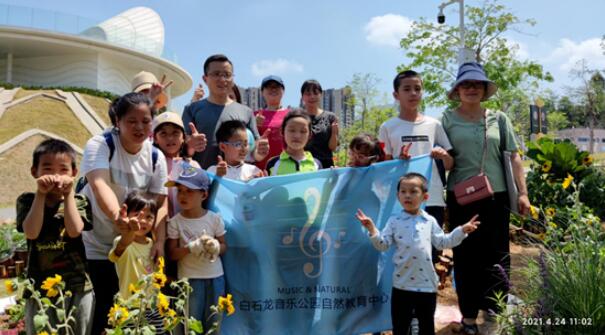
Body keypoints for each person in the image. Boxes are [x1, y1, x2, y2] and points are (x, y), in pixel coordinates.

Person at [441, 62, 531, 334]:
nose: (471, 89)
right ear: (458, 89)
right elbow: (446, 162)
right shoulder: (446, 119)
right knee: (466, 257)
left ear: (484, 90)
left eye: (477, 84)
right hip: (461, 198)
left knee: (497, 256)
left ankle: (494, 314)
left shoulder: (499, 118)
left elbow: (514, 156)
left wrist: (523, 193)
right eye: (466, 84)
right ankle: (468, 318)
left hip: (496, 198)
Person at [79, 92, 168, 335]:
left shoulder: (155, 156)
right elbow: (99, 184)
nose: (140, 127)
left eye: (146, 121)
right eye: (131, 121)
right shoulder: (101, 144)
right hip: (99, 244)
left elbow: (160, 202)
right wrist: (118, 217)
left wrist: (159, 240)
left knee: (138, 312)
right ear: (117, 121)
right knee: (105, 311)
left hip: (135, 251)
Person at [356, 173, 480, 335]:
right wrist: (372, 229)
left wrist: (461, 230)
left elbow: (443, 242)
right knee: (400, 326)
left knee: (426, 325)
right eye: (403, 191)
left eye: (413, 191)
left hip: (427, 285)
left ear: (425, 196)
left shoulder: (429, 221)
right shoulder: (394, 221)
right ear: (398, 196)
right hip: (402, 284)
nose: (408, 195)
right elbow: (383, 245)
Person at [16, 139, 94, 335]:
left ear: (74, 173)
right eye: (48, 169)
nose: (55, 176)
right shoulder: (28, 201)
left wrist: (68, 195)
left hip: (77, 286)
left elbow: (75, 230)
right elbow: (31, 232)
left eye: (63, 170)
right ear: (35, 172)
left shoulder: (79, 201)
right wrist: (40, 195)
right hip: (39, 288)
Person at [378, 70, 454, 264]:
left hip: (432, 198)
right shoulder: (388, 127)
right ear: (396, 95)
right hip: (401, 201)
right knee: (401, 256)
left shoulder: (434, 124)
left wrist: (444, 155)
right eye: (407, 89)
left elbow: (450, 164)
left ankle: (428, 294)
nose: (413, 93)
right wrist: (398, 160)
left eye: (417, 89)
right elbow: (383, 168)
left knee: (430, 257)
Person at [166, 165, 227, 332]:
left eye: (189, 191)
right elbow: (171, 253)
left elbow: (224, 246)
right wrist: (190, 248)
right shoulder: (175, 222)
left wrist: (215, 246)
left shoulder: (214, 219)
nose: (183, 195)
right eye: (180, 190)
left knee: (214, 324)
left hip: (215, 278)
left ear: (204, 194)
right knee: (189, 324)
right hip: (188, 280)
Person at [182, 54, 269, 169]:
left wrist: (261, 151)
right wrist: (190, 143)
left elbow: (253, 152)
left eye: (227, 75)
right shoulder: (191, 109)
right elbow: (179, 148)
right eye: (216, 74)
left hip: (234, 182)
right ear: (205, 78)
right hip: (200, 180)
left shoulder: (247, 112)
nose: (222, 79)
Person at [266, 108, 322, 176]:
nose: (297, 136)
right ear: (282, 132)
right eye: (292, 130)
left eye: (303, 131)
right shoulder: (273, 164)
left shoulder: (316, 164)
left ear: (309, 135)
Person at [300, 79, 339, 168]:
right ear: (302, 97)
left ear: (321, 95)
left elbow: (332, 148)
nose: (312, 96)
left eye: (315, 93)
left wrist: (334, 133)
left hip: (326, 166)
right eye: (308, 94)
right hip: (305, 165)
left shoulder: (331, 117)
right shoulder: (298, 117)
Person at [254, 75, 289, 169]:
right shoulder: (253, 115)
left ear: (283, 91)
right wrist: (255, 126)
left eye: (276, 86)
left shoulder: (291, 114)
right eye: (269, 87)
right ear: (262, 92)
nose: (273, 89)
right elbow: (247, 144)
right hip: (261, 169)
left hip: (286, 167)